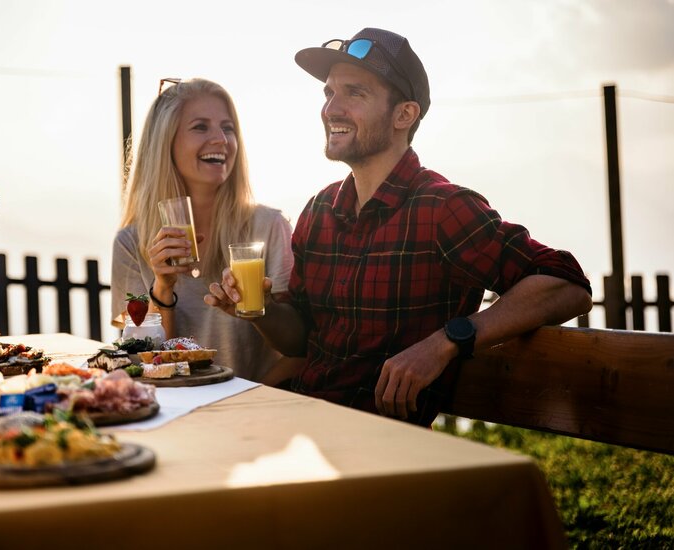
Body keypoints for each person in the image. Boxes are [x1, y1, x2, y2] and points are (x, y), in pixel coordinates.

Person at [205, 28, 593, 425]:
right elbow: (301, 340)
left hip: (382, 448)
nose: (331, 109)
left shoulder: (443, 207)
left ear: (404, 114)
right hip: (304, 430)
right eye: (329, 93)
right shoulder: (320, 209)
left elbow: (567, 284)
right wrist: (259, 310)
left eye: (354, 93)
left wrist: (447, 341)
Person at [111, 78, 295, 383]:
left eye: (228, 127)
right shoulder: (131, 243)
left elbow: (299, 349)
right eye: (200, 127)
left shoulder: (269, 227)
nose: (221, 139)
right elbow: (144, 363)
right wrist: (162, 289)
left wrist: (242, 398)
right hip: (175, 410)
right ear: (165, 143)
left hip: (255, 411)